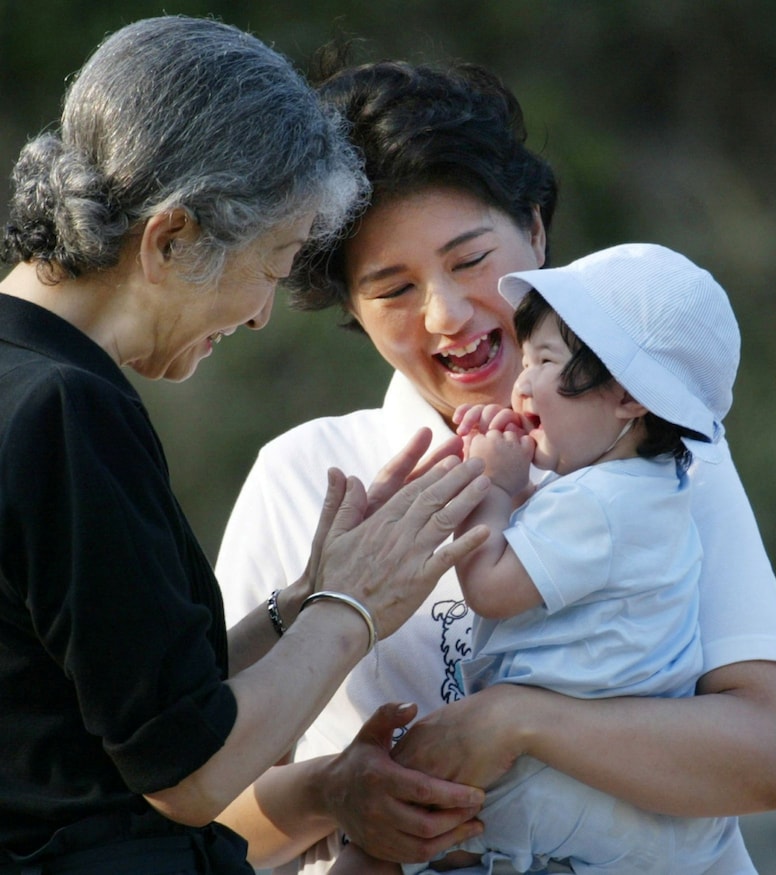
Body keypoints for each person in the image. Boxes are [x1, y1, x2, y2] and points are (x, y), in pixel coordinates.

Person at [215, 58, 776, 874]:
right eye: (391, 288)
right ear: (352, 309)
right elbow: (197, 810)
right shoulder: (307, 474)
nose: (446, 314)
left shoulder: (666, 453)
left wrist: (516, 720)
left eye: (468, 260)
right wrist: (332, 793)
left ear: (534, 228)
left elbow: (773, 757)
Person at [0, 21, 493, 874]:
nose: (262, 313)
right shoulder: (62, 409)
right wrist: (355, 608)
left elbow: (121, 697)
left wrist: (302, 601)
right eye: (272, 263)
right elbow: (187, 771)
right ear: (171, 238)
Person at [333, 242, 744, 874]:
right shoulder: (650, 490)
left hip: (555, 775)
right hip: (614, 774)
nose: (520, 384)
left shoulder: (602, 504)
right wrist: (515, 483)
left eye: (545, 360)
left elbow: (491, 588)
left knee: (396, 818)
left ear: (629, 396)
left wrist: (492, 490)